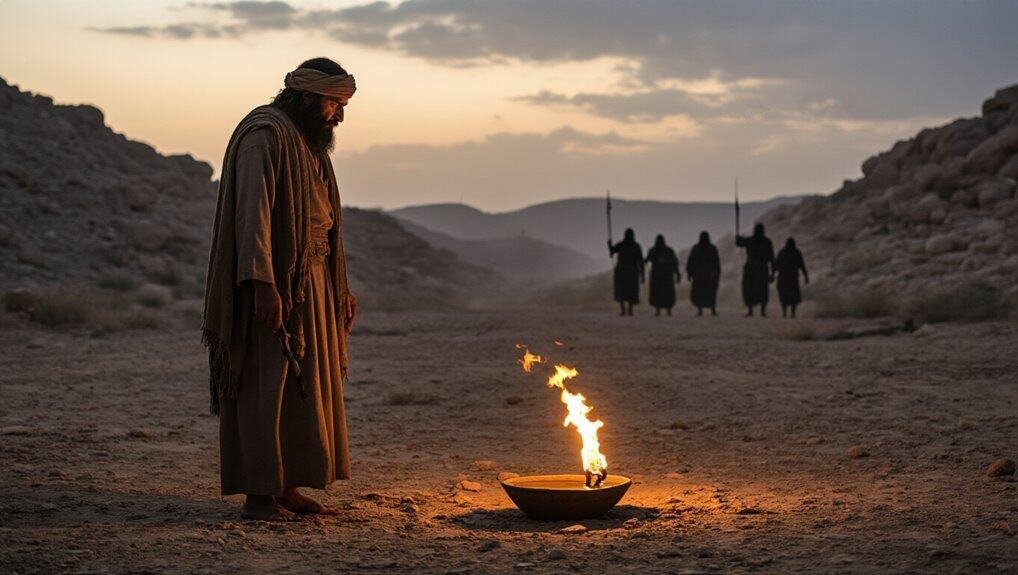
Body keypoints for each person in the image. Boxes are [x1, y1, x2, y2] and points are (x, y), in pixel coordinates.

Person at [202, 57, 358, 521]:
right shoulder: (264, 135)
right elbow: (254, 216)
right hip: (272, 282)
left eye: (343, 105)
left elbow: (323, 219)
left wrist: (340, 288)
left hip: (312, 279)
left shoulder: (307, 143)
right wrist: (263, 284)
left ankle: (286, 486)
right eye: (333, 103)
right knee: (265, 384)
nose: (339, 116)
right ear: (306, 96)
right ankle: (259, 495)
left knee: (300, 386)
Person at [735, 223, 775, 317]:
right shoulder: (767, 242)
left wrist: (738, 239)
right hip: (761, 269)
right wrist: (772, 273)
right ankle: (761, 311)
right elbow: (772, 258)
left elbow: (739, 243)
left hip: (752, 269)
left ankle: (751, 311)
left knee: (750, 290)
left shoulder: (751, 240)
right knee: (761, 290)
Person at [608, 228, 644, 316]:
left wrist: (610, 246)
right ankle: (629, 311)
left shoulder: (622, 245)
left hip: (622, 271)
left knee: (622, 291)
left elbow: (612, 251)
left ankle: (624, 311)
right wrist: (642, 274)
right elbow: (640, 261)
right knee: (630, 291)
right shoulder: (636, 246)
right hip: (631, 271)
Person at [686, 231, 721, 316]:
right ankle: (711, 310)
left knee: (703, 293)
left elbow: (690, 262)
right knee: (708, 293)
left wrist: (690, 273)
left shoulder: (697, 248)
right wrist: (717, 273)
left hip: (701, 275)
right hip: (707, 275)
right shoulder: (711, 248)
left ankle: (702, 310)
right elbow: (716, 262)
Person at [645, 234, 680, 316]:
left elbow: (647, 260)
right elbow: (674, 263)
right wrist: (677, 273)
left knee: (658, 293)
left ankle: (658, 311)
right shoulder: (669, 250)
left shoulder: (653, 250)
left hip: (657, 275)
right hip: (666, 275)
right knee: (666, 293)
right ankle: (668, 310)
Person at [774, 237, 809, 318]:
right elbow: (802, 266)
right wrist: (806, 277)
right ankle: (792, 313)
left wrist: (773, 274)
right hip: (792, 278)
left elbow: (776, 265)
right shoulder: (796, 252)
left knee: (784, 296)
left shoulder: (782, 252)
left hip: (784, 278)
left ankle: (785, 313)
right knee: (792, 297)